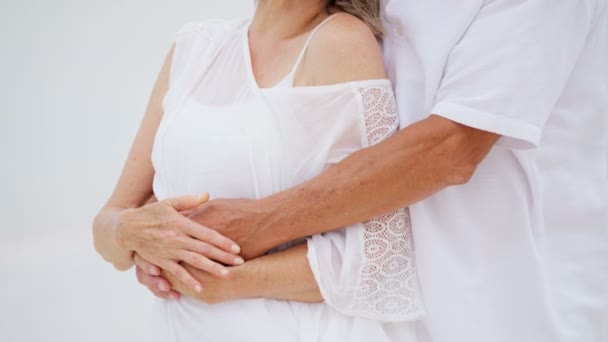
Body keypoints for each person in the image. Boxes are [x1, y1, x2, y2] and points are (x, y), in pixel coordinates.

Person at [131, 1, 608, 341]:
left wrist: (245, 235)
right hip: (386, 318)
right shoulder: (223, 45)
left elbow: (452, 148)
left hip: (514, 309)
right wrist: (151, 240)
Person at [94, 0, 426, 341]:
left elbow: (381, 256)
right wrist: (133, 234)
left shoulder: (339, 41)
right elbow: (109, 224)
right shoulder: (194, 46)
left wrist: (222, 280)